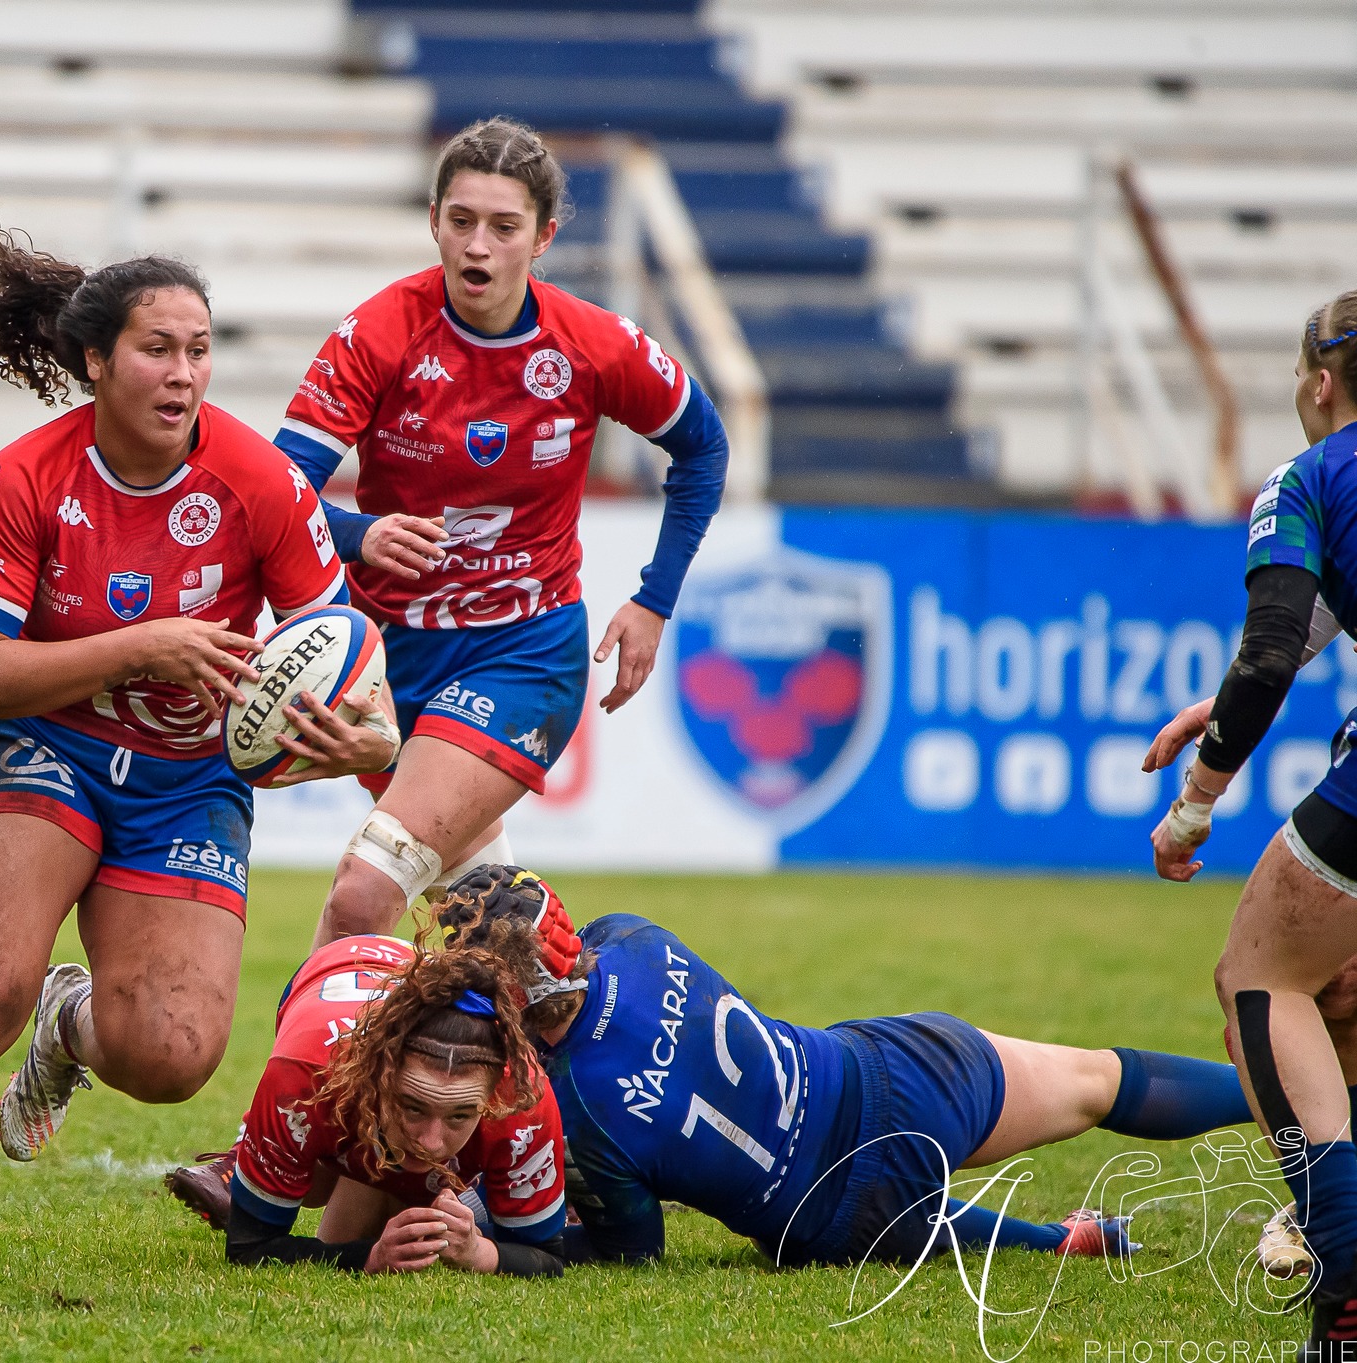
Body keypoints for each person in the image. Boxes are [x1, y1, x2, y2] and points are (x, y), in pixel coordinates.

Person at [0, 224, 396, 1304]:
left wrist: (362, 739)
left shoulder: (262, 482)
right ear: (95, 361)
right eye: (157, 348)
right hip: (45, 747)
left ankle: (73, 1020)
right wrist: (144, 646)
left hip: (191, 777)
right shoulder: (26, 477)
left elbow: (341, 660)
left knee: (171, 1055)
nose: (182, 372)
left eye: (198, 349)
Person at [177, 867, 1254, 1269]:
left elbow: (626, 1248)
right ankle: (1291, 1092)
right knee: (1101, 1079)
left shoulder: (572, 1107)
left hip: (836, 1206)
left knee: (893, 1210)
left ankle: (1051, 1238)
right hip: (884, 1063)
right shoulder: (635, 935)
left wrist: (498, 1245)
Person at [269, 116, 728, 947]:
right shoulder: (380, 331)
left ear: (543, 236)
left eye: (504, 227)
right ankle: (547, 1054)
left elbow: (703, 446)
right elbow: (278, 489)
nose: (477, 246)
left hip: (520, 652)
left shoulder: (590, 344)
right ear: (435, 221)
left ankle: (306, 1078)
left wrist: (654, 599)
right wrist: (358, 533)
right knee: (489, 930)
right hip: (383, 659)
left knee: (363, 893)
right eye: (461, 221)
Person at [1143, 290, 1357, 1353]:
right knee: (1338, 986)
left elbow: (1270, 649)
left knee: (1260, 977)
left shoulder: (1309, 476)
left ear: (1319, 383)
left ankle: (1344, 1270)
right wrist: (1219, 700)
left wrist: (1192, 805)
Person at [219, 934, 567, 1277]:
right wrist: (368, 1257)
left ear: (491, 1099)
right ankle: (247, 1152)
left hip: (409, 1008)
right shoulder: (304, 1077)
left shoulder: (522, 1098)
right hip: (331, 970)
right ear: (377, 1073)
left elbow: (546, 1255)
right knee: (313, 1185)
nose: (430, 1142)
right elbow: (249, 1247)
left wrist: (479, 1252)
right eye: (413, 1107)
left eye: (460, 1115)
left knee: (416, 1199)